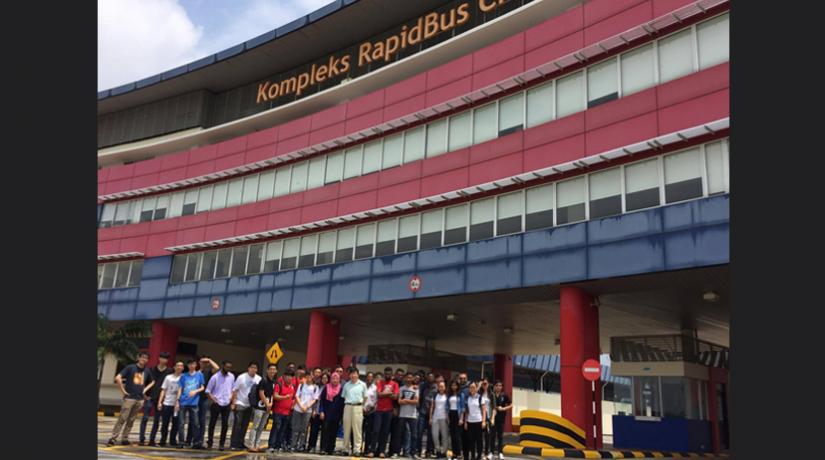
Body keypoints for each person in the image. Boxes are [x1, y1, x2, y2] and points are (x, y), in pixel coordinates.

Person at [108, 351, 155, 446]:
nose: (144, 359)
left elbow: (152, 382)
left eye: (146, 358)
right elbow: (118, 377)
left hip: (140, 399)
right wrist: (123, 390)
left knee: (131, 420)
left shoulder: (147, 371)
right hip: (129, 398)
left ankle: (125, 438)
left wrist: (144, 390)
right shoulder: (130, 367)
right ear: (138, 358)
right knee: (122, 418)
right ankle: (113, 438)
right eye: (142, 357)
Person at [140, 351, 172, 446]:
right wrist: (145, 395)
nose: (164, 360)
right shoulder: (151, 369)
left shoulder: (169, 371)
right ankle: (142, 438)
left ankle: (152, 440)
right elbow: (144, 382)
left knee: (157, 420)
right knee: (145, 418)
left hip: (160, 399)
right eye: (162, 358)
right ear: (159, 358)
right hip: (149, 397)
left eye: (166, 358)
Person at [230, 362, 261, 450]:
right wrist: (233, 403)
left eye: (255, 368)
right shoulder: (241, 377)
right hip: (240, 403)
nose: (253, 369)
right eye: (251, 367)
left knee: (245, 425)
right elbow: (235, 390)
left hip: (250, 405)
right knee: (237, 424)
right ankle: (233, 444)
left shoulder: (258, 379)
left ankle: (240, 443)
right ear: (248, 368)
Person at [205, 360, 235, 451]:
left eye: (229, 367)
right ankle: (210, 442)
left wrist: (232, 400)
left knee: (225, 424)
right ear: (223, 366)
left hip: (226, 403)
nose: (228, 369)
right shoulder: (215, 377)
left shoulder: (232, 376)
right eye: (227, 367)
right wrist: (213, 399)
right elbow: (207, 390)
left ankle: (221, 444)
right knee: (212, 424)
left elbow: (233, 389)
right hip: (216, 403)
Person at [248, 363, 277, 452]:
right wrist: (267, 403)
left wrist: (270, 405)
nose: (272, 371)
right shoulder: (263, 380)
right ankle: (251, 445)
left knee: (261, 427)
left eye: (274, 369)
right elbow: (261, 393)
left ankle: (257, 445)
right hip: (259, 407)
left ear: (276, 371)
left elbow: (272, 395)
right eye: (270, 369)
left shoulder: (273, 382)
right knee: (255, 426)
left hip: (267, 408)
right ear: (267, 370)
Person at [178, 359, 206, 449]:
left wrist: (195, 391)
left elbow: (202, 387)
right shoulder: (183, 375)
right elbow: (180, 388)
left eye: (193, 364)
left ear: (196, 365)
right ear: (187, 365)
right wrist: (177, 400)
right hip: (183, 401)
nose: (191, 366)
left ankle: (196, 442)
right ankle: (181, 442)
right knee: (181, 423)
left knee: (195, 423)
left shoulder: (199, 375)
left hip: (194, 402)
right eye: (190, 364)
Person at [370, 368, 398, 458]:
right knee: (376, 430)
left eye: (389, 374)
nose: (387, 375)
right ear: (384, 374)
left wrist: (384, 394)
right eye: (386, 374)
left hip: (389, 410)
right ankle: (372, 450)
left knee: (385, 432)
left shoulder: (395, 384)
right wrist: (390, 394)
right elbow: (379, 395)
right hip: (379, 410)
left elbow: (396, 397)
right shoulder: (380, 383)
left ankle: (382, 451)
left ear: (392, 374)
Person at [341, 367, 368, 456]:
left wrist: (360, 406)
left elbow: (365, 397)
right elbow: (344, 396)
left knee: (357, 429)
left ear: (358, 374)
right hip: (348, 406)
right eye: (351, 374)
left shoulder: (362, 384)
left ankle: (357, 450)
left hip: (358, 407)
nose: (353, 375)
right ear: (349, 375)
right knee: (346, 429)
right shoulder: (346, 385)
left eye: (354, 373)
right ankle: (345, 449)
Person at [268, 370, 296, 453]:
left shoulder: (292, 386)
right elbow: (275, 396)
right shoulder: (279, 384)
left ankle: (278, 446)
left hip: (287, 412)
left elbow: (293, 398)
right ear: (284, 376)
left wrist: (292, 405)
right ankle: (271, 445)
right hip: (278, 411)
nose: (290, 378)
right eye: (288, 376)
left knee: (282, 430)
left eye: (291, 376)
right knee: (276, 428)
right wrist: (285, 397)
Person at [157, 361, 184, 447]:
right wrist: (160, 402)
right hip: (167, 403)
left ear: (183, 368)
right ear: (174, 367)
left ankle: (173, 440)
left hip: (178, 405)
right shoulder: (168, 377)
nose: (179, 367)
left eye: (181, 366)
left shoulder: (184, 378)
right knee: (165, 423)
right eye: (178, 365)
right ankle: (163, 440)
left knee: (176, 424)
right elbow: (163, 390)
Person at [292, 369, 319, 452]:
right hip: (298, 409)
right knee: (296, 428)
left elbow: (314, 399)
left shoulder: (315, 387)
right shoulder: (301, 385)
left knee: (304, 429)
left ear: (312, 377)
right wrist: (301, 406)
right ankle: (293, 445)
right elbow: (296, 396)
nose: (309, 377)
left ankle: (301, 445)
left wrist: (307, 407)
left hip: (308, 410)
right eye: (307, 375)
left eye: (310, 375)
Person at [318, 372, 345, 455]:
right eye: (333, 378)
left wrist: (342, 415)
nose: (335, 380)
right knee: (325, 431)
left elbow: (343, 402)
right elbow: (321, 400)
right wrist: (321, 411)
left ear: (339, 379)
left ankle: (330, 449)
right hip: (327, 413)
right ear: (331, 379)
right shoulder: (326, 387)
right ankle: (323, 448)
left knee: (334, 432)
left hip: (337, 414)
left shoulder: (341, 389)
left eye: (337, 379)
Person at [196, 355, 220, 446]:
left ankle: (200, 441)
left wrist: (210, 360)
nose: (204, 364)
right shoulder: (195, 372)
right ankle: (191, 440)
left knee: (202, 421)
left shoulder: (208, 372)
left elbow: (217, 368)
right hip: (194, 398)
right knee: (193, 420)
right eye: (202, 362)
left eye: (205, 363)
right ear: (199, 363)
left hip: (204, 399)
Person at [461, 382, 486, 460]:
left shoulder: (480, 398)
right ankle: (472, 456)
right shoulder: (468, 398)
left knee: (479, 440)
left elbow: (484, 410)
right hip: (470, 422)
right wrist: (465, 422)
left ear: (476, 388)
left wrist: (483, 421)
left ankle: (478, 456)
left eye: (473, 387)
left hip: (478, 421)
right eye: (471, 387)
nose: (472, 389)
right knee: (471, 441)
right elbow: (467, 411)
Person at [399, 372, 420, 459]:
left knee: (414, 435)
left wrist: (406, 400)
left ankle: (413, 452)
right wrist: (409, 401)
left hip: (413, 415)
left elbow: (416, 402)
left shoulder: (416, 389)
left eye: (410, 378)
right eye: (407, 377)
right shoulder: (401, 388)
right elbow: (399, 401)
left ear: (412, 379)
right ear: (405, 378)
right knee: (401, 434)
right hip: (402, 414)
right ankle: (403, 452)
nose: (409, 379)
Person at [307, 372, 329, 453]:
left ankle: (322, 448)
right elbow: (314, 399)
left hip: (325, 413)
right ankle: (311, 447)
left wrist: (322, 411)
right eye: (323, 378)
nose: (324, 380)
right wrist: (314, 410)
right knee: (314, 430)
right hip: (316, 411)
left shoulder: (329, 388)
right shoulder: (316, 387)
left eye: (326, 378)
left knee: (324, 431)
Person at [388, 367, 407, 457]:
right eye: (398, 374)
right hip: (388, 409)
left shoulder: (403, 385)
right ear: (395, 374)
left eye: (401, 375)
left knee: (396, 433)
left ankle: (394, 451)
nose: (400, 376)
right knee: (385, 432)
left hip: (400, 411)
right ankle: (382, 450)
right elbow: (389, 395)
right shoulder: (391, 383)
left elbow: (400, 397)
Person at [490, 381, 511, 460]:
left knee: (500, 437)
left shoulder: (504, 395)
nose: (498, 387)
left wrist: (504, 408)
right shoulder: (491, 395)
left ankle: (500, 453)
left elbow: (511, 404)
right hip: (493, 419)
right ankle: (491, 453)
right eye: (497, 385)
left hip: (501, 419)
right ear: (494, 386)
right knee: (492, 436)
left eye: (500, 385)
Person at [418, 372, 437, 457]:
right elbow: (419, 397)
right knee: (420, 432)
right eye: (428, 377)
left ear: (434, 378)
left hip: (432, 414)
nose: (430, 378)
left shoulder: (436, 387)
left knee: (430, 434)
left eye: (431, 377)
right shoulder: (422, 386)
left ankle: (429, 451)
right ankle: (418, 451)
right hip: (422, 412)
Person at [430, 381, 450, 459]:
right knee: (434, 435)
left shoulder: (447, 396)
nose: (441, 388)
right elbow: (432, 406)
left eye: (442, 386)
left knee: (444, 436)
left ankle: (444, 452)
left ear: (445, 387)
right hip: (435, 418)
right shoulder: (435, 395)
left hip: (444, 418)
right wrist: (430, 417)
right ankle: (438, 451)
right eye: (440, 386)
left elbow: (448, 408)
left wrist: (448, 418)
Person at [456, 373, 471, 460]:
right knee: (457, 436)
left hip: (466, 415)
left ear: (466, 379)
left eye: (464, 378)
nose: (462, 380)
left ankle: (465, 455)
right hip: (456, 415)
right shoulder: (456, 388)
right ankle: (458, 454)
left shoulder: (469, 389)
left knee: (466, 436)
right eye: (461, 378)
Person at [478, 379, 493, 460]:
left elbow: (494, 407)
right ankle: (481, 453)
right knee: (480, 437)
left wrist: (492, 418)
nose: (484, 385)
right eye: (483, 384)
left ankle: (486, 453)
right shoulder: (479, 394)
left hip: (488, 417)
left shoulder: (491, 394)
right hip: (479, 416)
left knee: (487, 436)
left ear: (488, 384)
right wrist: (479, 385)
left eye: (485, 383)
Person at [447, 380, 462, 460]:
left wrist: (461, 418)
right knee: (452, 436)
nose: (454, 387)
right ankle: (454, 454)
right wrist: (448, 417)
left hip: (457, 414)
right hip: (451, 414)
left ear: (457, 386)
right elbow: (447, 407)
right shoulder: (449, 395)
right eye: (452, 385)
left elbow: (462, 408)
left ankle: (459, 454)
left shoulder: (460, 395)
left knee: (457, 436)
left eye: (455, 385)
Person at [363, 372, 377, 455]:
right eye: (368, 377)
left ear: (373, 379)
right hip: (361, 411)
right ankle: (357, 448)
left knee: (369, 432)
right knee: (360, 432)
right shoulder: (362, 386)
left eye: (371, 377)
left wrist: (370, 408)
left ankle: (366, 449)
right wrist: (362, 408)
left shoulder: (375, 388)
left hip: (371, 412)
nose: (369, 379)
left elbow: (376, 400)